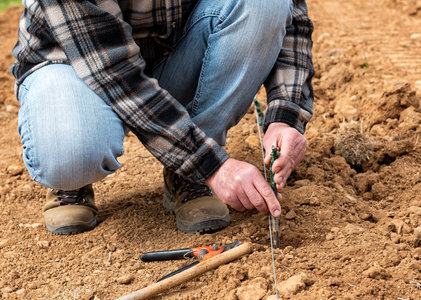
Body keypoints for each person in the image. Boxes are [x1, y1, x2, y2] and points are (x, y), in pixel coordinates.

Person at [11, 0, 314, 235]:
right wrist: (210, 163)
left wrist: (285, 113)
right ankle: (73, 181)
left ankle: (188, 170)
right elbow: (113, 70)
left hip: (175, 54)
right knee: (71, 156)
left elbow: (291, 12)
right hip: (75, 65)